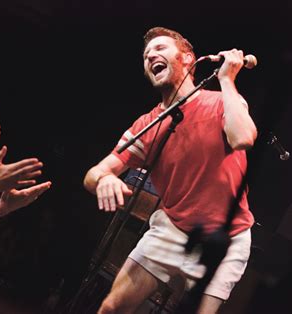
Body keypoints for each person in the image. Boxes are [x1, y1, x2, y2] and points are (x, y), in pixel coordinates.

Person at [83, 27, 257, 313]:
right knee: (112, 308)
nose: (151, 56)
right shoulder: (149, 124)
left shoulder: (221, 101)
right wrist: (103, 178)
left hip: (225, 238)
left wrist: (227, 80)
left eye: (160, 49)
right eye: (146, 55)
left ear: (188, 59)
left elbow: (243, 138)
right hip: (172, 228)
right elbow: (93, 173)